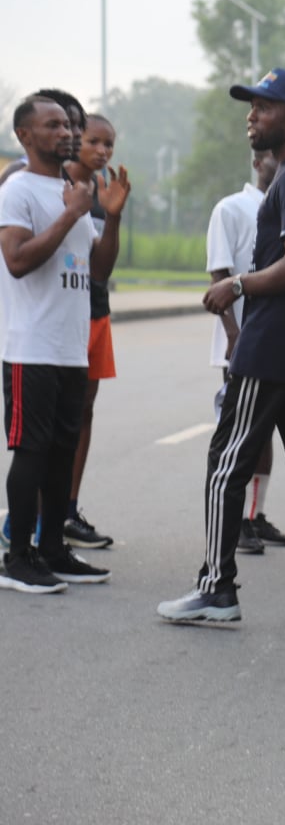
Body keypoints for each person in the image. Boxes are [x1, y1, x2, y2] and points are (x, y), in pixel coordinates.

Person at [157, 68, 285, 627]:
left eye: (264, 107)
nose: (251, 116)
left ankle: (218, 589)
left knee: (225, 464)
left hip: (272, 348)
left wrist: (236, 284)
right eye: (251, 106)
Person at [0, 93, 129, 592]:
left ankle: (53, 549)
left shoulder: (77, 191)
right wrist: (71, 214)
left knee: (60, 452)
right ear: (26, 136)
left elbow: (97, 270)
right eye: (53, 126)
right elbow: (17, 260)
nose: (67, 133)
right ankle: (18, 559)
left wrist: (110, 216)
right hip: (30, 347)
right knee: (30, 452)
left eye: (68, 126)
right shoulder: (18, 191)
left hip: (71, 347)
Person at [205, 149, 285, 555]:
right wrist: (232, 334)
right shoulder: (233, 208)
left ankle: (254, 515)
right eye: (270, 155)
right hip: (244, 342)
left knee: (266, 431)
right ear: (256, 161)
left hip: (281, 341)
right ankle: (234, 521)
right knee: (240, 435)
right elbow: (219, 273)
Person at [60, 112, 119, 549]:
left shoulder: (103, 193)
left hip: (95, 313)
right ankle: (34, 515)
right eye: (95, 142)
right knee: (54, 418)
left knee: (84, 412)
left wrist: (115, 215)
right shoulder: (52, 184)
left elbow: (101, 267)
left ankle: (67, 508)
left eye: (109, 145)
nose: (102, 151)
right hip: (59, 317)